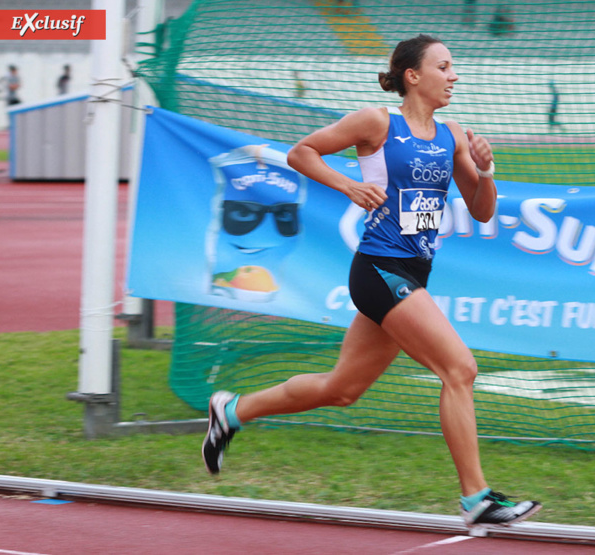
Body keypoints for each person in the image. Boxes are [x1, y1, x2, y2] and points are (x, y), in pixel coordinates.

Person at [202, 34, 541, 529]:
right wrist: (349, 184)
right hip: (379, 268)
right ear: (413, 75)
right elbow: (302, 153)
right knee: (459, 369)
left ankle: (231, 411)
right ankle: (477, 500)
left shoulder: (452, 134)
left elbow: (483, 210)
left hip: (413, 272)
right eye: (444, 67)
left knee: (342, 388)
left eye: (453, 68)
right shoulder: (377, 122)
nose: (454, 76)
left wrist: (486, 170)